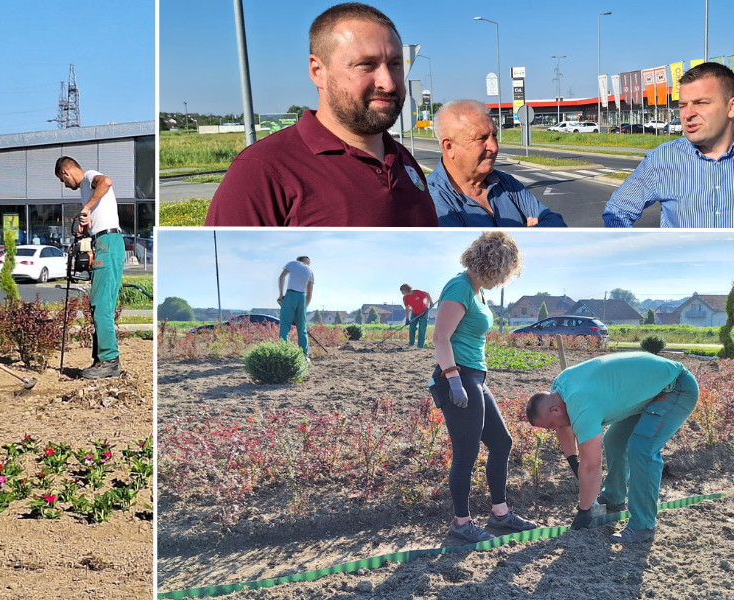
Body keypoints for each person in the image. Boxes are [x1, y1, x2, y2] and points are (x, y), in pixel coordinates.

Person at [203, 2, 437, 227]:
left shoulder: (403, 159)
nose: (388, 83)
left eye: (395, 64)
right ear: (318, 71)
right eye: (366, 64)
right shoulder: (261, 170)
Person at [429, 232, 537, 542]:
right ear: (492, 265)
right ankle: (461, 523)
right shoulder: (459, 287)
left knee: (501, 443)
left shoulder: (477, 291)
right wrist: (452, 379)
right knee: (466, 452)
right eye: (503, 274)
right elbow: (440, 337)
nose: (502, 281)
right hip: (458, 377)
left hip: (475, 377)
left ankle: (500, 515)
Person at [525, 352, 699, 543]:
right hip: (648, 390)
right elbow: (563, 427)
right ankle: (613, 499)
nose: (555, 429)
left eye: (551, 425)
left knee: (642, 448)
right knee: (614, 439)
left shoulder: (582, 406)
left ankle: (643, 525)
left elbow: (592, 467)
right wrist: (572, 461)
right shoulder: (559, 388)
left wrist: (584, 512)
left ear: (554, 410)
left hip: (675, 388)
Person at [603, 62, 734, 227]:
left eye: (701, 103)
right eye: (682, 105)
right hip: (684, 271)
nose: (688, 114)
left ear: (733, 107)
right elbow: (617, 211)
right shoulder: (661, 160)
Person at [426, 100, 567, 227]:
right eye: (481, 138)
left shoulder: (506, 184)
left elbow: (556, 223)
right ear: (449, 146)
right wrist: (528, 236)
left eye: (494, 136)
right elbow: (465, 251)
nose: (494, 147)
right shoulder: (431, 199)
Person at [55, 156, 125, 379]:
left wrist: (85, 208)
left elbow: (107, 181)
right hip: (105, 242)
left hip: (108, 244)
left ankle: (109, 361)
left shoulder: (89, 177)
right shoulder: (86, 189)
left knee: (100, 304)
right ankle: (101, 359)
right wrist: (85, 228)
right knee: (101, 305)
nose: (65, 185)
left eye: (62, 180)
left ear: (66, 173)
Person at [277, 256, 314, 357]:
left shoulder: (292, 264)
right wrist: (304, 308)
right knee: (302, 329)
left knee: (284, 327)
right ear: (306, 261)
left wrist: (281, 295)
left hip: (290, 295)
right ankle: (304, 356)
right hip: (302, 297)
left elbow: (281, 277)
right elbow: (309, 294)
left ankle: (282, 353)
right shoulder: (310, 271)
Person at [399, 283, 432, 348]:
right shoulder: (405, 298)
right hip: (415, 313)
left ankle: (420, 346)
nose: (402, 293)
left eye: (403, 291)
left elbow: (427, 294)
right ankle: (411, 343)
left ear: (406, 289)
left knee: (422, 329)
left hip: (423, 313)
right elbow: (407, 308)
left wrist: (427, 305)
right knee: (412, 328)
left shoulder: (417, 292)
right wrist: (407, 318)